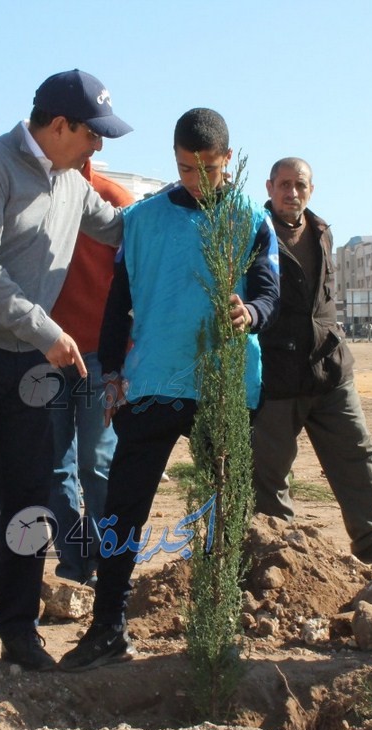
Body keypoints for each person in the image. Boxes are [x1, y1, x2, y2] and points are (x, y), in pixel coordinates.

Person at [0, 70, 131, 688]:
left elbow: (119, 228)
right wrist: (47, 330)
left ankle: (17, 630)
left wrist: (191, 210)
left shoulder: (73, 179)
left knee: (29, 502)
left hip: (29, 363)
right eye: (94, 135)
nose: (100, 147)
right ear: (61, 126)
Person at [59, 108, 279, 672]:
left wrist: (250, 312)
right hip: (151, 384)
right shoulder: (143, 220)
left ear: (227, 160)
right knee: (124, 512)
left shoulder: (252, 217)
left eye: (208, 168)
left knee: (219, 508)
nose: (197, 179)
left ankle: (217, 625)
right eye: (185, 167)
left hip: (225, 387)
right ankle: (108, 626)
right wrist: (110, 372)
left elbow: (269, 293)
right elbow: (118, 301)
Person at [251, 159, 372, 564]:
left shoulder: (322, 230)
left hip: (329, 366)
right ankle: (278, 552)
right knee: (269, 471)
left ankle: (371, 539)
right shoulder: (254, 230)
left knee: (355, 452)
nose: (292, 192)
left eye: (300, 184)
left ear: (311, 188)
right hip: (275, 372)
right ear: (269, 187)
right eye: (284, 185)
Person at [47, 160, 136, 585]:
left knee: (97, 462)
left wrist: (124, 358)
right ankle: (72, 561)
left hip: (100, 355)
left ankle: (106, 562)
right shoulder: (28, 197)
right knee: (53, 465)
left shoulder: (113, 201)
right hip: (44, 353)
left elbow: (135, 283)